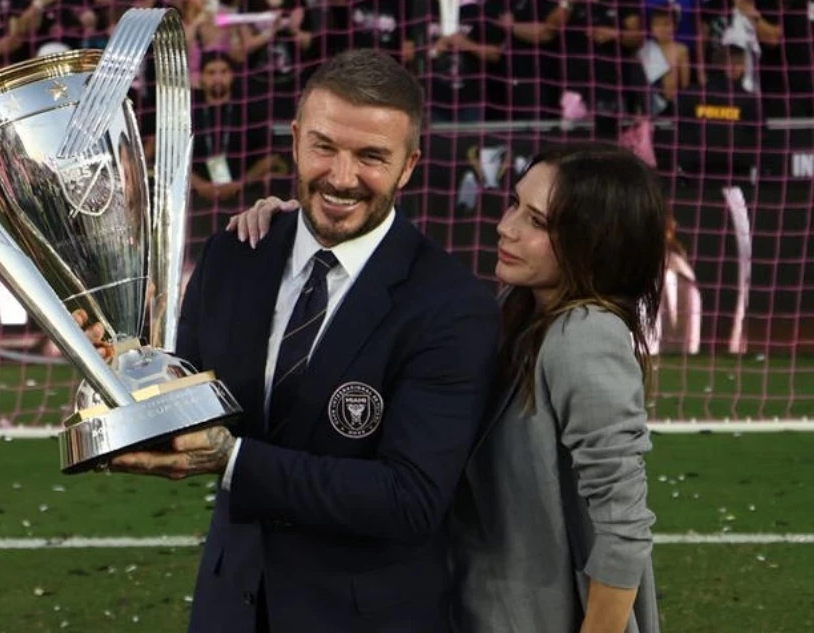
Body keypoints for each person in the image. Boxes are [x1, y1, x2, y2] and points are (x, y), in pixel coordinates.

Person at [89, 49, 501, 632]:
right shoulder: (235, 254)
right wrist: (119, 371)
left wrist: (233, 460)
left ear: (408, 166)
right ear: (295, 139)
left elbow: (409, 498)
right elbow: (188, 394)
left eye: (371, 156)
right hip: (229, 608)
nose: (341, 177)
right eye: (324, 146)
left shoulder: (451, 305)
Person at [230, 141, 665, 633]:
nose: (507, 226)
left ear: (596, 242)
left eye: (538, 222)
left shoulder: (585, 335)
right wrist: (309, 230)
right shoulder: (516, 312)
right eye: (514, 203)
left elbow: (623, 527)